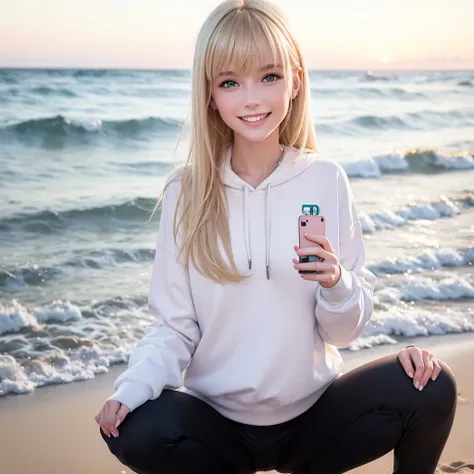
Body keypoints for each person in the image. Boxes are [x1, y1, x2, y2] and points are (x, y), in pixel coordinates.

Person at [95, 1, 457, 472]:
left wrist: (337, 284)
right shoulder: (186, 190)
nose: (251, 99)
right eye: (230, 82)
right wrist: (131, 389)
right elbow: (173, 327)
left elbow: (345, 332)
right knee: (135, 427)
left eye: (269, 76)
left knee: (432, 384)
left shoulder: (325, 178)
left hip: (316, 418)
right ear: (210, 94)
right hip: (216, 426)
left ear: (296, 80)